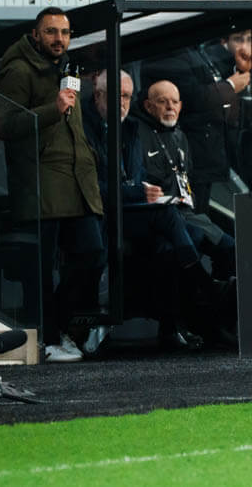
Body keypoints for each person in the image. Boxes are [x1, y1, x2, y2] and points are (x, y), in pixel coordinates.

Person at [0, 7, 107, 363]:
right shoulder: (18, 70)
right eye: (51, 31)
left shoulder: (67, 68)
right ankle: (49, 338)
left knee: (93, 255)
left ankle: (62, 327)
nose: (59, 39)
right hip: (42, 184)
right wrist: (51, 109)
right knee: (42, 270)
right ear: (35, 34)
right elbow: (2, 125)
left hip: (77, 182)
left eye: (65, 32)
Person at [81, 69, 206, 351]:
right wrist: (137, 192)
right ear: (98, 95)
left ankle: (172, 324)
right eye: (116, 96)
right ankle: (200, 285)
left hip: (129, 210)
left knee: (177, 241)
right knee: (172, 221)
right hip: (100, 213)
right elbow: (92, 188)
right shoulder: (85, 128)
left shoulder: (130, 128)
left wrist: (139, 191)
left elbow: (135, 178)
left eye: (127, 96)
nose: (122, 103)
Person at [142, 0, 247, 214]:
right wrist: (229, 87)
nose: (206, 16)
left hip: (207, 156)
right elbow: (192, 96)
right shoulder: (167, 50)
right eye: (201, 9)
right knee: (191, 218)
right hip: (188, 157)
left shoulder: (195, 49)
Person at [135, 80, 237, 281]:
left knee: (230, 247)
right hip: (159, 214)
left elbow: (185, 175)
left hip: (186, 212)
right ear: (148, 105)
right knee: (192, 242)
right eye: (163, 101)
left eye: (174, 102)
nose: (170, 107)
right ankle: (205, 291)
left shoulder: (180, 136)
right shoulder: (138, 134)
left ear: (181, 106)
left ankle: (219, 293)